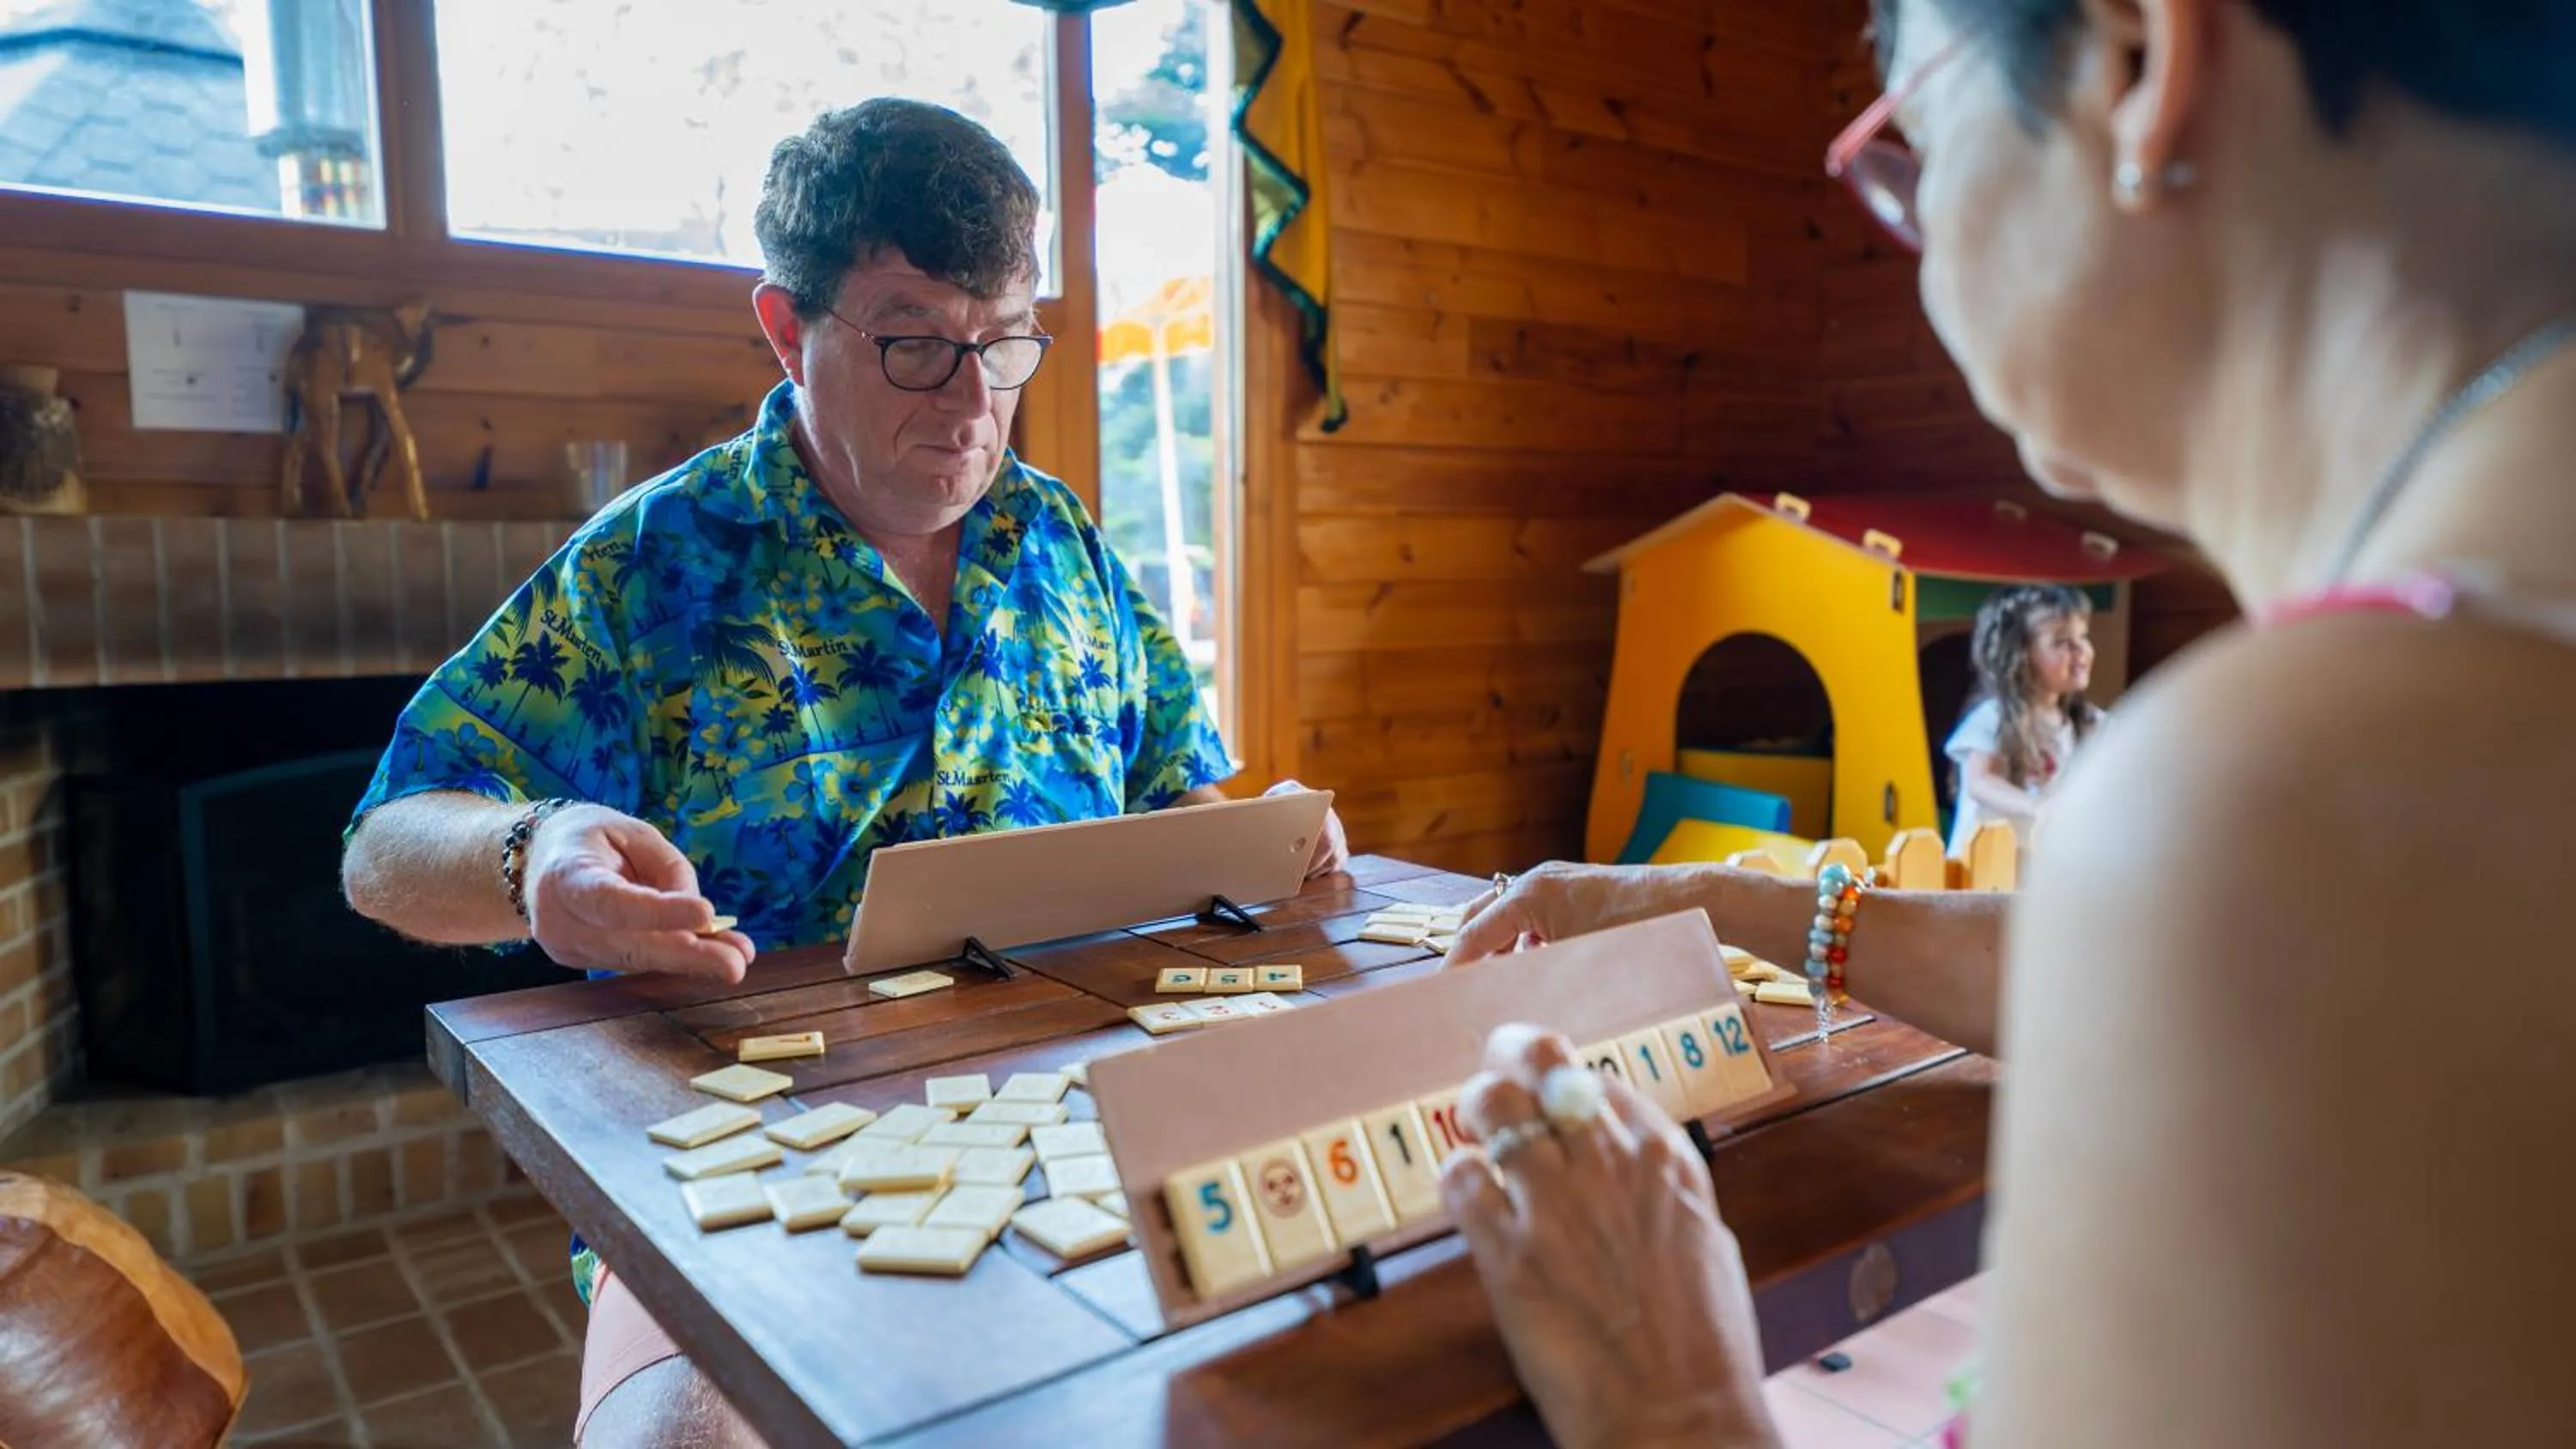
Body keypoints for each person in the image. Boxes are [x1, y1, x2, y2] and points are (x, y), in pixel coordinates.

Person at [1439, 1, 2576, 1446]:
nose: (1915, 228)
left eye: (1915, 135)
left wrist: (1670, 1398)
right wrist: (1738, 902)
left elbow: (2258, 915)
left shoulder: (2291, 802)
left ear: (2137, 62)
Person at [340, 99, 1345, 1446]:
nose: (974, 405)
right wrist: (538, 853)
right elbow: (382, 849)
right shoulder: (657, 562)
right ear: (785, 329)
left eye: (1006, 342)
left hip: (1091, 1116)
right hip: (756, 1158)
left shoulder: (1061, 543)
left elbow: (1180, 798)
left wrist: (1264, 842)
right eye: (915, 344)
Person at [1943, 583, 2104, 857]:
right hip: (1983, 864)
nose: (2081, 649)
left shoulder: (2087, 721)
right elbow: (1981, 781)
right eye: (2061, 641)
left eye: (2083, 636)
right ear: (2021, 655)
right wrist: (2039, 807)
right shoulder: (1996, 715)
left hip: (2033, 864)